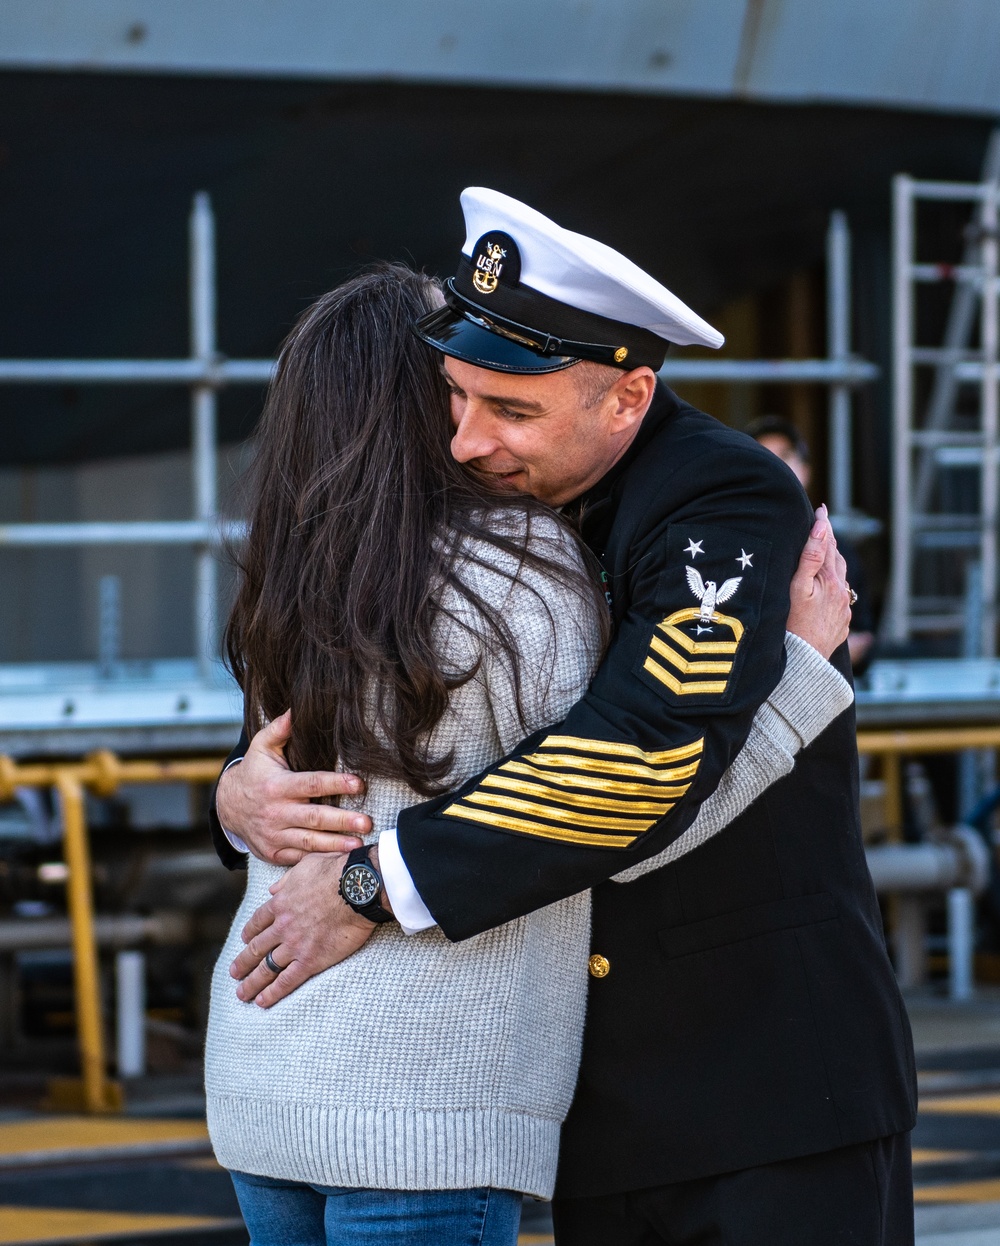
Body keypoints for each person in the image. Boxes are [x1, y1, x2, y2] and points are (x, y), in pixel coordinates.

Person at [215, 190, 917, 1245]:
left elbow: (633, 757)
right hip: (599, 1100)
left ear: (628, 398)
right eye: (453, 397)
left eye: (510, 411)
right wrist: (236, 794)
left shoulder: (716, 496)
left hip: (759, 1077)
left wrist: (370, 882)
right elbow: (338, 704)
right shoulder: (483, 507)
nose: (463, 441)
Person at [747, 415, 876, 670]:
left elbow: (862, 640)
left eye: (784, 456)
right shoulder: (729, 544)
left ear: (805, 470)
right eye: (762, 456)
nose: (775, 467)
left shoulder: (837, 550)